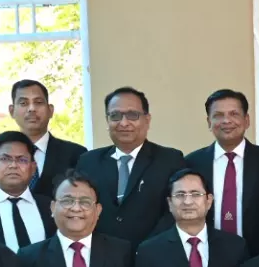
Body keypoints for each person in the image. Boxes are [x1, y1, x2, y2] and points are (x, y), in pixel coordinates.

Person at [75, 87, 185, 246]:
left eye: (133, 115)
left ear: (147, 120)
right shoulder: (88, 161)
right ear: (107, 121)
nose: (124, 123)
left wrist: (148, 248)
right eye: (115, 116)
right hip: (100, 253)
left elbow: (175, 210)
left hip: (154, 252)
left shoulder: (170, 160)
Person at [184, 89, 259, 258]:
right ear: (209, 122)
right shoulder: (192, 162)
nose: (226, 121)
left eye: (234, 114)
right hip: (207, 256)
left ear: (246, 120)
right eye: (218, 115)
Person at [0, 78, 87, 195]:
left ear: (50, 110)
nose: (32, 109)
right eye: (23, 103)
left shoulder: (76, 154)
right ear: (12, 111)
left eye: (38, 102)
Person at [0, 131, 55, 251]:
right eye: (5, 159)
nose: (13, 165)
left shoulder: (51, 207)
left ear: (33, 168)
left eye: (22, 160)